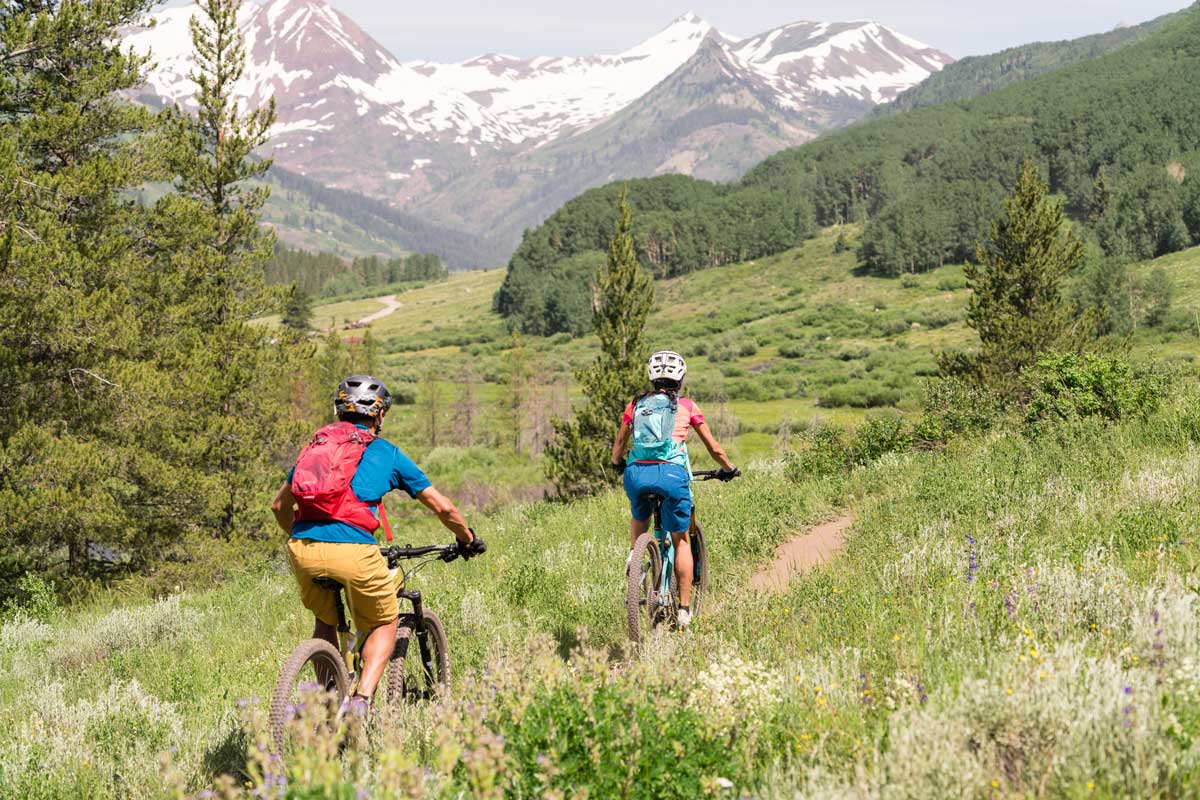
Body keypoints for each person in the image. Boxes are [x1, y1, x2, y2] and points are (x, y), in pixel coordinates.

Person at [271, 374, 484, 712]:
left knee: (326, 621)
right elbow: (443, 507)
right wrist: (467, 539)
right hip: (354, 551)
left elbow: (279, 506)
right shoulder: (386, 453)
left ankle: (328, 703)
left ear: (340, 411)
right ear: (379, 415)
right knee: (387, 621)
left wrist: (305, 538)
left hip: (302, 548)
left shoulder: (316, 447)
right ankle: (361, 702)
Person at [611, 351, 738, 629]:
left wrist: (617, 464)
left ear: (652, 378)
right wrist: (728, 468)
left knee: (640, 514)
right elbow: (713, 448)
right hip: (671, 474)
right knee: (680, 540)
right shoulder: (687, 407)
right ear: (680, 379)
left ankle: (635, 553)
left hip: (636, 474)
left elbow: (619, 444)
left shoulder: (635, 405)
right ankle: (683, 610)